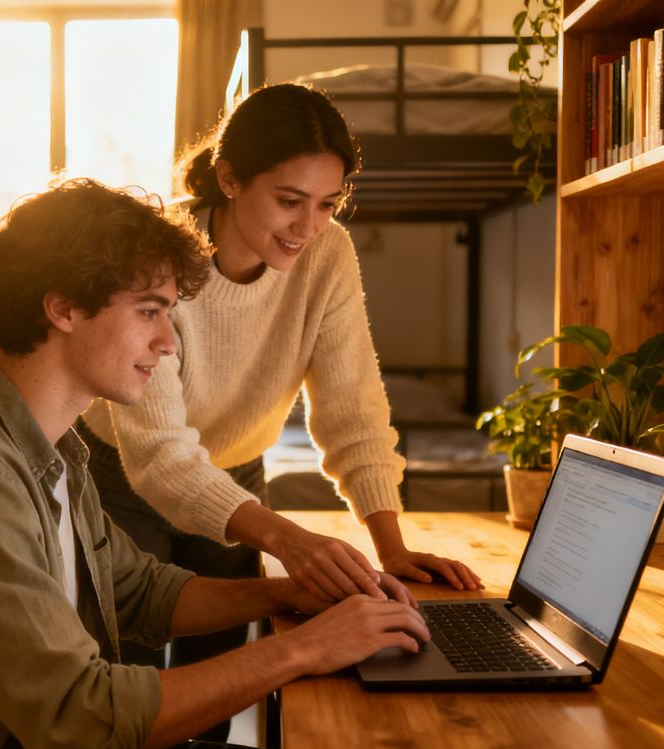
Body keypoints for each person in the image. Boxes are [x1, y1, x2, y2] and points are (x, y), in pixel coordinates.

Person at [0, 179, 429, 749]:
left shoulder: (51, 448)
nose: (169, 343)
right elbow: (83, 720)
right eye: (150, 311)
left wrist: (287, 593)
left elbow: (141, 592)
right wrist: (306, 649)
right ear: (63, 307)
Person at [77, 84, 483, 688]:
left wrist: (390, 546)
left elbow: (355, 408)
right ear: (230, 178)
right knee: (125, 680)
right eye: (290, 200)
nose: (309, 227)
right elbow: (161, 458)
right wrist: (289, 539)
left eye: (328, 203)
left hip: (236, 471)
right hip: (121, 474)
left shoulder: (329, 256)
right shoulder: (157, 256)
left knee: (221, 679)